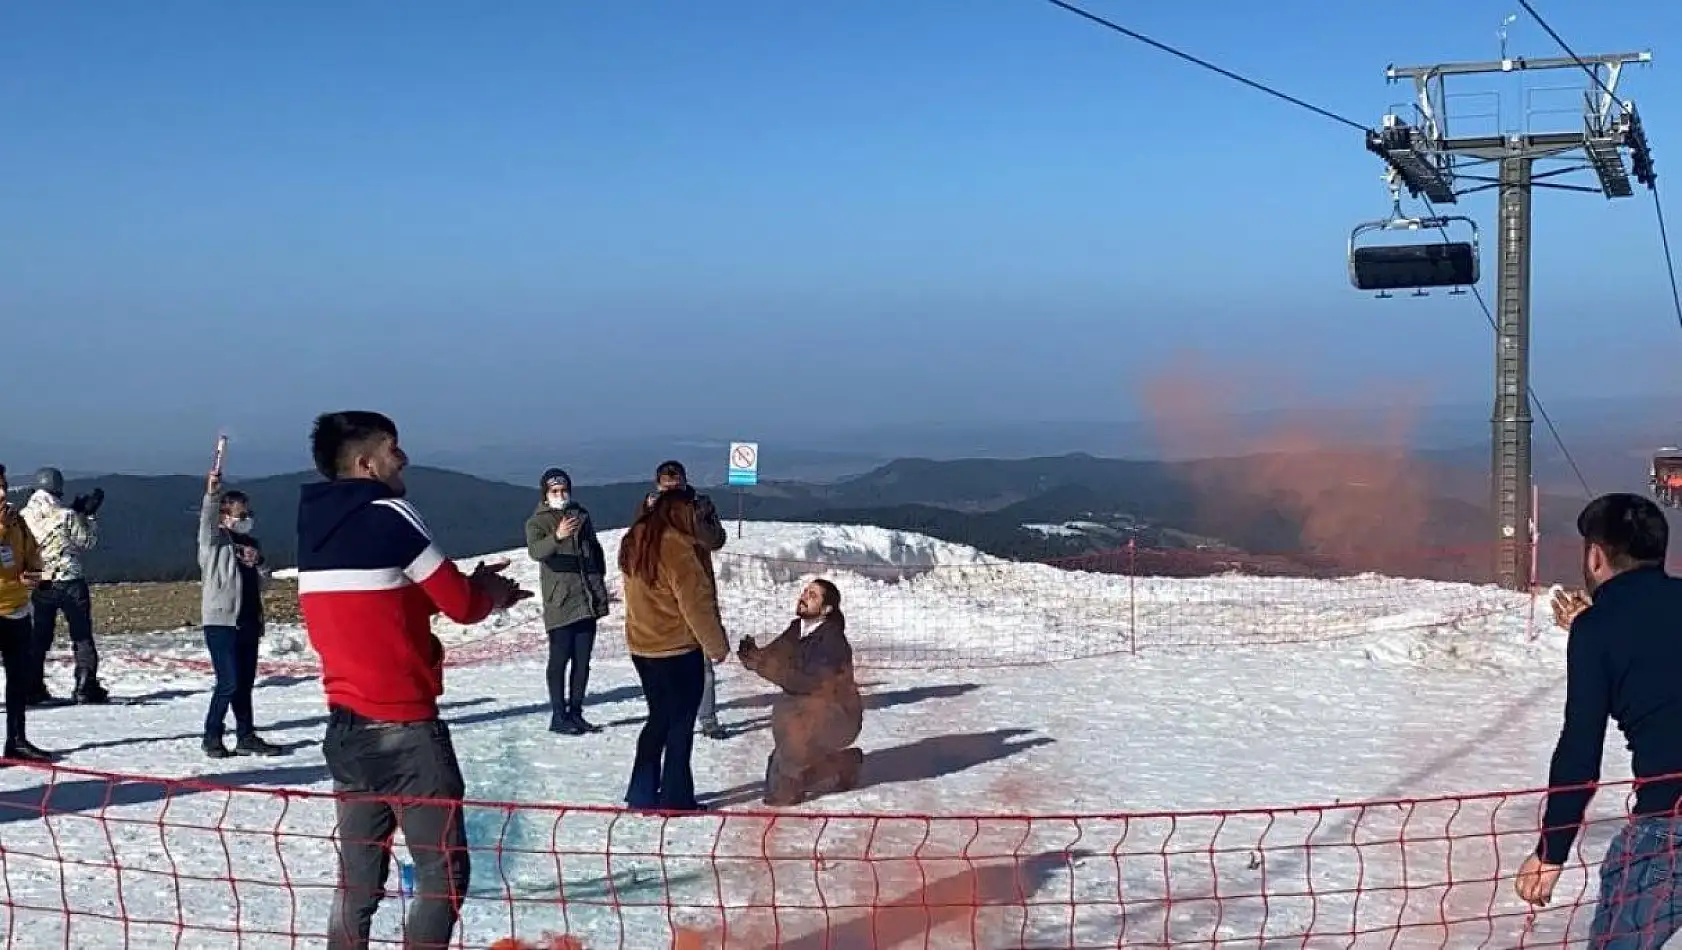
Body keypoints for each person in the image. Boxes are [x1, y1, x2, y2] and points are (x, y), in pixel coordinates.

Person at [296, 411, 529, 950]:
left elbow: (379, 599)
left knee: (357, 884)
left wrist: (468, 592)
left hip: (346, 729)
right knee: (443, 878)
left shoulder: (315, 526)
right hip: (405, 727)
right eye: (394, 449)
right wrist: (488, 592)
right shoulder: (393, 514)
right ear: (366, 463)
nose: (404, 459)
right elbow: (462, 605)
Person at [1515, 492, 1682, 947]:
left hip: (1670, 821)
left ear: (1595, 556)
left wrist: (1551, 852)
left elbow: (1579, 750)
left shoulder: (1598, 629)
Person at [618, 489, 730, 811]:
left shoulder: (634, 539)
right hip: (677, 648)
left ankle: (641, 791)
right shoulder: (677, 547)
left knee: (658, 720)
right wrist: (716, 645)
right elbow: (695, 604)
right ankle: (676, 797)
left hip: (643, 646)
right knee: (680, 725)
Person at [738, 579, 864, 806]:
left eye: (813, 595)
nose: (804, 596)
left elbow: (812, 685)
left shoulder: (833, 640)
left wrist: (764, 666)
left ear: (826, 610)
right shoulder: (797, 628)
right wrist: (753, 656)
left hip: (839, 717)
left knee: (784, 785)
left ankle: (827, 767)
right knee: (781, 771)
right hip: (804, 712)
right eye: (805, 591)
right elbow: (773, 658)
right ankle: (839, 762)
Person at [198, 469, 284, 758]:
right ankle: (212, 735)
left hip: (248, 620)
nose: (245, 518)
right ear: (225, 516)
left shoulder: (252, 545)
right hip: (222, 622)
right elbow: (206, 521)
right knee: (228, 681)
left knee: (244, 683)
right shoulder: (214, 543)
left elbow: (265, 582)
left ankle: (246, 735)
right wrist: (212, 494)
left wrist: (259, 563)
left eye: (247, 513)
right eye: (239, 514)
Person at [643, 460, 729, 739]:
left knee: (702, 663)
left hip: (694, 585)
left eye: (676, 485)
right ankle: (671, 716)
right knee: (669, 662)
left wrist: (701, 516)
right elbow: (638, 543)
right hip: (662, 594)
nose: (672, 491)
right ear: (658, 485)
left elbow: (714, 541)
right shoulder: (649, 508)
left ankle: (707, 718)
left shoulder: (699, 506)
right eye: (667, 486)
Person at [524, 467, 610, 735]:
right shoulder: (536, 523)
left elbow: (594, 551)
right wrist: (557, 537)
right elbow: (536, 552)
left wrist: (598, 585)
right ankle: (558, 715)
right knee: (559, 660)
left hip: (585, 598)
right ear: (545, 494)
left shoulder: (581, 515)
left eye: (563, 490)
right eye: (554, 491)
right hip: (559, 601)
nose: (560, 495)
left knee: (583, 661)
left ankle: (576, 712)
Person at [20, 466, 106, 705]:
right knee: (80, 634)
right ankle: (85, 685)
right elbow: (87, 541)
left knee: (39, 636)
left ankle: (32, 685)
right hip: (70, 580)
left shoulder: (23, 516)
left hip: (41, 581)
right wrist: (86, 516)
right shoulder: (65, 515)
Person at [0, 465, 56, 762]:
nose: (1, 493)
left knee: (18, 678)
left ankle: (17, 740)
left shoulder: (17, 522)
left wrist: (34, 573)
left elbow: (32, 552)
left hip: (17, 609)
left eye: (3, 486)